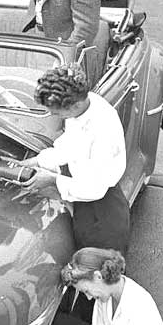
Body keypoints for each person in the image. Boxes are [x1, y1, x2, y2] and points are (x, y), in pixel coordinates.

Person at [15, 65, 129, 254]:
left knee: (96, 270)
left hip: (102, 213)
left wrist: (52, 179)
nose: (53, 115)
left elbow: (94, 188)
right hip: (83, 204)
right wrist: (36, 161)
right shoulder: (81, 108)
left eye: (57, 112)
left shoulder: (103, 127)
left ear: (74, 105)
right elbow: (69, 146)